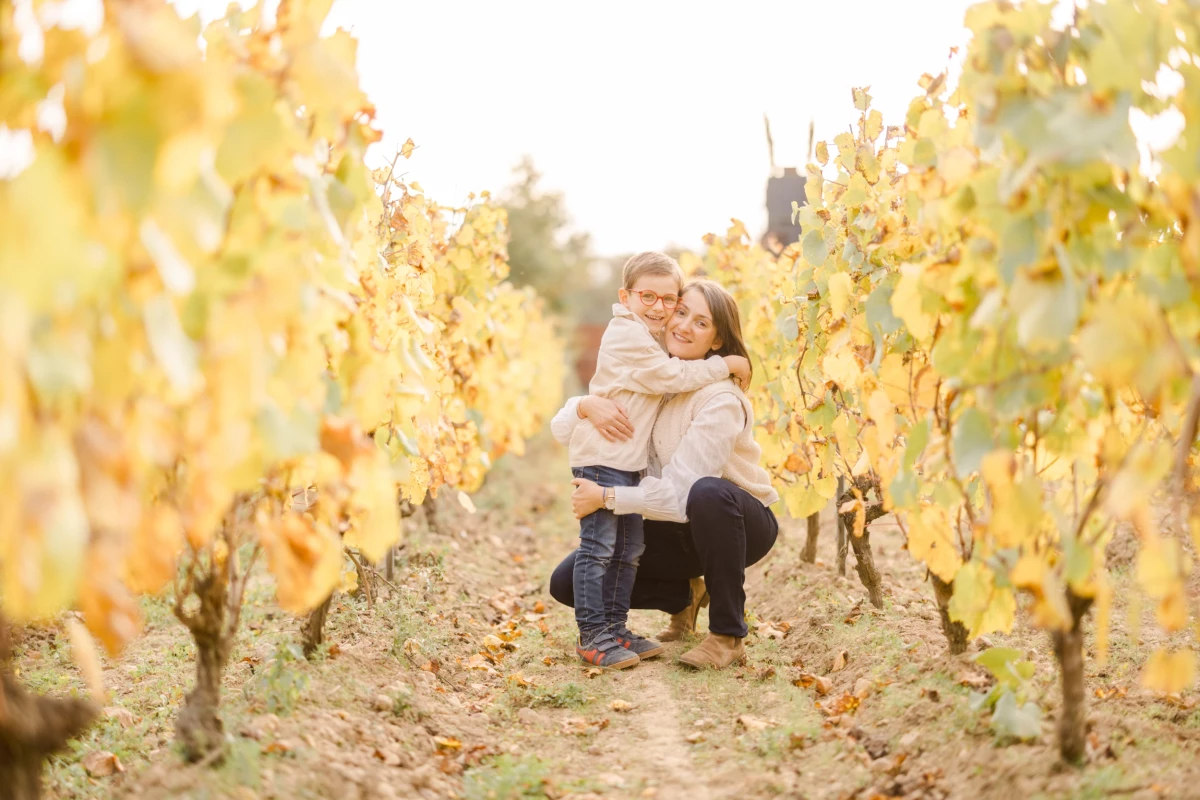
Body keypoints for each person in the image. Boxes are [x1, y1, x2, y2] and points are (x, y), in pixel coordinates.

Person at [550, 279, 779, 669]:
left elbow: (682, 495)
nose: (684, 326)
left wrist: (606, 497)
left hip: (732, 521)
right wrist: (586, 405)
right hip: (670, 523)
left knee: (708, 492)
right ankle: (682, 596)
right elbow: (561, 429)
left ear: (718, 340)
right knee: (567, 582)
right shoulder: (658, 372)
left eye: (701, 323)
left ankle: (727, 634)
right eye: (681, 311)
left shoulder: (719, 398)